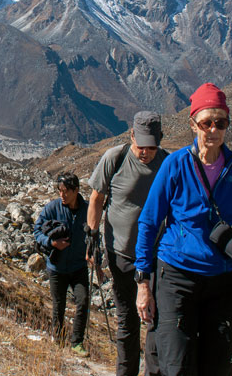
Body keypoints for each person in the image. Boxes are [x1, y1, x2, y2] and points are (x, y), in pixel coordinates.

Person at [134, 83, 232, 376]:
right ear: (193, 124)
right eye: (207, 122)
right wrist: (143, 283)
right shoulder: (175, 164)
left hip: (223, 282)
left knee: (218, 368)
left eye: (220, 122)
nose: (213, 130)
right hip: (176, 278)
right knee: (176, 367)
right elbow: (149, 221)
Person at [87, 111, 168, 376]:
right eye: (140, 146)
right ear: (131, 135)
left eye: (151, 147)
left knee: (155, 320)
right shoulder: (115, 158)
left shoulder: (167, 164)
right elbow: (97, 198)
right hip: (120, 252)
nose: (145, 152)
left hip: (156, 257)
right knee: (127, 320)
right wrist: (92, 236)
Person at [34, 172, 90, 357]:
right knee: (59, 305)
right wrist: (51, 244)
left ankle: (77, 342)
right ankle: (58, 340)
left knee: (82, 301)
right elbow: (36, 231)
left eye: (65, 191)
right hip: (56, 267)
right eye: (59, 191)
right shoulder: (52, 207)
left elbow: (93, 234)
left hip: (78, 266)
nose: (62, 195)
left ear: (76, 190)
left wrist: (92, 253)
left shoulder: (87, 210)